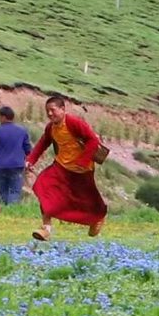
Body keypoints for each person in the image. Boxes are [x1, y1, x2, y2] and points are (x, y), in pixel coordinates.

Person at [25, 94, 107, 241]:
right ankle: (46, 229)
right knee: (43, 187)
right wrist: (30, 160)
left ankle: (97, 217)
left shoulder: (73, 123)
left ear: (63, 109)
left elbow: (93, 140)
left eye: (53, 110)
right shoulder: (51, 127)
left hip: (82, 169)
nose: (50, 114)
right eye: (47, 111)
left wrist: (82, 162)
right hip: (61, 166)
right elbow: (43, 143)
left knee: (86, 200)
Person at [0, 106, 31, 204]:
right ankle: (11, 209)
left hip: (0, 166)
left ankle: (5, 209)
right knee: (15, 191)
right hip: (17, 165)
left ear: (3, 117)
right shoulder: (22, 131)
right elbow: (28, 149)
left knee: (3, 191)